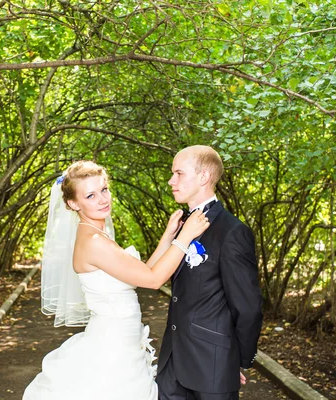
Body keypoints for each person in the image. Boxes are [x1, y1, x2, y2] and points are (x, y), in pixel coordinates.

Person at [23, 160, 210, 400]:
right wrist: (186, 236)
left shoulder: (98, 234)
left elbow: (142, 272)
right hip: (112, 346)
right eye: (90, 195)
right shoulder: (93, 242)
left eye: (104, 189)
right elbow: (153, 280)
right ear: (73, 203)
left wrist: (169, 235)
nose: (102, 199)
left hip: (122, 341)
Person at [156, 145, 263, 400]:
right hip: (171, 366)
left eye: (179, 173)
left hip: (211, 368)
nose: (171, 181)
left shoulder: (232, 232)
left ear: (203, 177)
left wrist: (235, 359)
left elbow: (248, 307)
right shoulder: (181, 224)